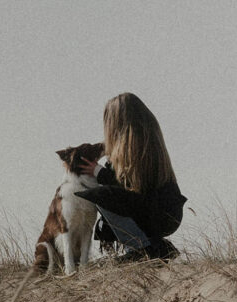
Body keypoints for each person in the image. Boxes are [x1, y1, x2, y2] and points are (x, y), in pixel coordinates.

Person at [77, 92, 186, 262]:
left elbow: (127, 186)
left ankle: (139, 249)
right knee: (110, 198)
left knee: (101, 194)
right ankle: (159, 248)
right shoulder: (149, 140)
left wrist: (99, 172)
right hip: (166, 213)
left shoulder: (136, 147)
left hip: (157, 212)